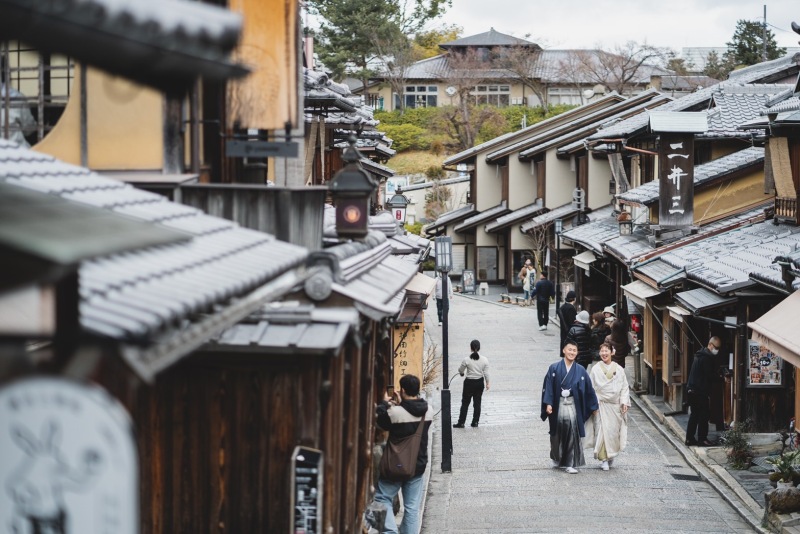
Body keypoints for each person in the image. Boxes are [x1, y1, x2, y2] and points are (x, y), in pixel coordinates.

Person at [374, 374, 433, 534]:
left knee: (381, 499)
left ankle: (389, 531)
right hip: (417, 465)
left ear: (403, 390)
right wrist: (402, 404)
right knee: (412, 508)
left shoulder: (394, 413)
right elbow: (411, 414)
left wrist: (384, 403)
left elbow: (380, 421)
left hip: (395, 465)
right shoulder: (428, 411)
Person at [541, 340, 599, 474]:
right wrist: (548, 403)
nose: (572, 352)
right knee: (556, 434)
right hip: (557, 404)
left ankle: (569, 463)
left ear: (577, 353)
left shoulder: (580, 370)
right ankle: (557, 456)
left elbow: (588, 389)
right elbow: (548, 386)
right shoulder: (554, 368)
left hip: (573, 405)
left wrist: (593, 405)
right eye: (570, 349)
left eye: (574, 350)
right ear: (564, 350)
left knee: (573, 432)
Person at [588, 342, 630, 470]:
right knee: (601, 431)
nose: (604, 353)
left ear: (612, 352)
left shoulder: (619, 369)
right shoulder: (595, 369)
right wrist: (593, 405)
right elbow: (591, 388)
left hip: (614, 405)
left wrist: (624, 402)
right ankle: (604, 459)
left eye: (606, 350)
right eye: (602, 351)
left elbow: (624, 387)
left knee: (612, 433)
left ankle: (610, 455)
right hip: (601, 404)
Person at [685, 336, 721, 447]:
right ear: (710, 345)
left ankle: (689, 439)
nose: (716, 350)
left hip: (692, 389)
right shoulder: (706, 358)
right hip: (699, 391)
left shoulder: (700, 354)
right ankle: (702, 439)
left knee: (694, 415)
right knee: (704, 415)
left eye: (718, 348)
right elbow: (709, 375)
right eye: (715, 347)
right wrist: (720, 377)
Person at [454, 339, 490, 428]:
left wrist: (462, 373)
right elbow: (486, 373)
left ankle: (461, 422)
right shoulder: (485, 360)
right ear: (479, 348)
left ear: (471, 348)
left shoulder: (466, 359)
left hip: (469, 383)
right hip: (479, 383)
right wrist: (487, 383)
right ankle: (475, 422)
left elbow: (461, 370)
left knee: (465, 403)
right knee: (477, 403)